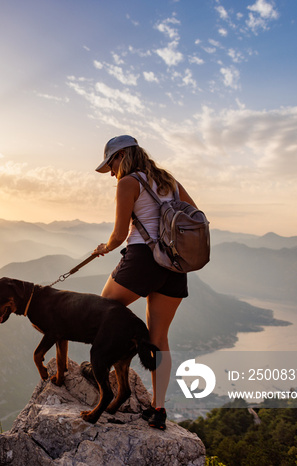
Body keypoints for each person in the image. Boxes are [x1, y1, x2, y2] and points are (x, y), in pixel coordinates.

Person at [92, 135, 198, 430]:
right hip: (174, 263)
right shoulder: (170, 182)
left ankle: (101, 370)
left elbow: (117, 235)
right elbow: (195, 216)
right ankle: (159, 408)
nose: (111, 172)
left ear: (123, 156)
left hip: (143, 258)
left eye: (111, 164)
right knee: (159, 338)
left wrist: (103, 248)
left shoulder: (128, 183)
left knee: (101, 310)